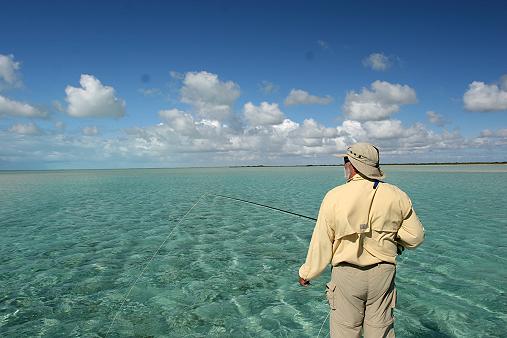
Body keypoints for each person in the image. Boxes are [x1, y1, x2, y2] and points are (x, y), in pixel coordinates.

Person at [298, 143, 425, 338]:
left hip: (347, 276)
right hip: (383, 275)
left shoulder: (334, 196)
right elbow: (415, 237)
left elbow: (321, 243)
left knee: (345, 332)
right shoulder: (397, 195)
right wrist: (392, 238)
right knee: (380, 331)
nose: (344, 166)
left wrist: (307, 273)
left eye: (345, 161)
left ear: (352, 165)